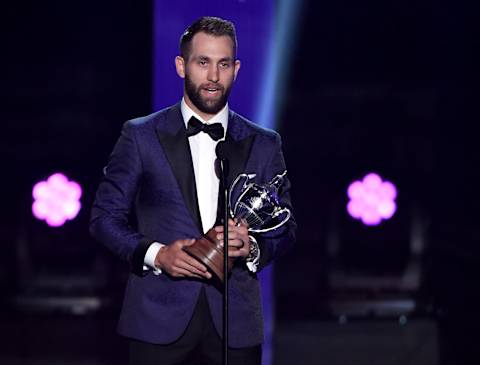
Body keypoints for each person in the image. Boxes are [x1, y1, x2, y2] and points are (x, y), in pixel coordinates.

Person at [90, 16, 296, 365]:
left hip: (235, 324)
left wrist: (253, 248)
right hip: (156, 321)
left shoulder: (264, 143)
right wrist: (157, 254)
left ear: (236, 69)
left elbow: (286, 227)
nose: (213, 76)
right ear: (181, 66)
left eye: (223, 64)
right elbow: (103, 219)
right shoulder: (141, 135)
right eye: (203, 62)